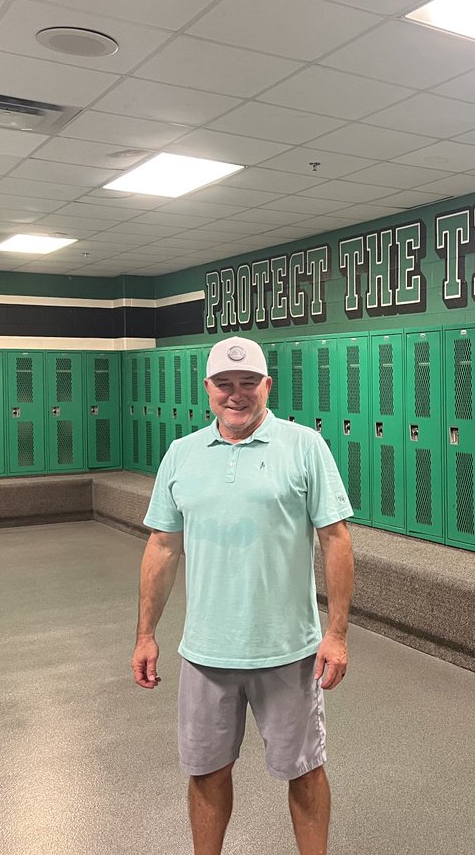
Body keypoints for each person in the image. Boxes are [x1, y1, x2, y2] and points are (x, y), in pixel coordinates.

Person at [131, 335, 355, 855]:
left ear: (266, 386)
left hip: (289, 652)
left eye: (248, 383)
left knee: (305, 770)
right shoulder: (181, 455)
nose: (237, 395)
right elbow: (163, 547)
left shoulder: (305, 446)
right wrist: (145, 634)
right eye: (225, 385)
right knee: (206, 772)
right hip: (206, 652)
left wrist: (337, 633)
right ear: (207, 389)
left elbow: (335, 539)